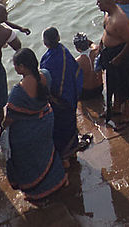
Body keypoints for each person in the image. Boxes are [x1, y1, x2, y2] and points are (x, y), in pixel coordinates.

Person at [4, 49, 68, 202]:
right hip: (46, 120)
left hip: (28, 131)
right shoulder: (45, 75)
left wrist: (2, 126)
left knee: (27, 158)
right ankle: (58, 180)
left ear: (23, 67)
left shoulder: (18, 92)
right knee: (47, 152)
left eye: (16, 66)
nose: (15, 69)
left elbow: (10, 118)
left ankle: (36, 189)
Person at [95, 0, 129, 129]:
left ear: (108, 2)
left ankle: (126, 115)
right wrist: (101, 45)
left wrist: (118, 58)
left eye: (99, 2)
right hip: (110, 53)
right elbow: (106, 31)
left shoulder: (120, 20)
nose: (97, 4)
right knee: (114, 83)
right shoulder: (108, 14)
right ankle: (115, 108)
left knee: (126, 86)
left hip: (122, 55)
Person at [40, 27, 83, 163]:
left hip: (58, 101)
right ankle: (72, 153)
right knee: (69, 125)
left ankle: (65, 159)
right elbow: (76, 73)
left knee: (60, 128)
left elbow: (45, 81)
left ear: (45, 43)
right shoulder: (65, 53)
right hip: (69, 97)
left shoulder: (46, 59)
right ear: (58, 38)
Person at [73, 33, 103, 100]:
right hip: (99, 88)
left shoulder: (77, 62)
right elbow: (92, 44)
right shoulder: (97, 50)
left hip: (86, 93)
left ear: (77, 49)